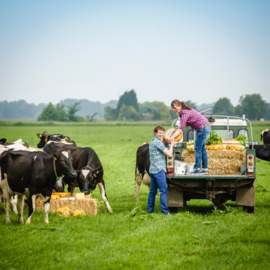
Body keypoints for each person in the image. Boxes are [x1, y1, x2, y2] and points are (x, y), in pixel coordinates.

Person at [168, 99, 211, 175]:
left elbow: (180, 130)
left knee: (197, 149)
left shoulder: (184, 113)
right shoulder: (183, 112)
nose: (174, 110)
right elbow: (187, 124)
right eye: (173, 109)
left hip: (203, 128)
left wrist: (171, 138)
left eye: (175, 108)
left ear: (180, 106)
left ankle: (196, 169)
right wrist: (179, 128)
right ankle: (204, 169)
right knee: (202, 149)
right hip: (204, 127)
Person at [148, 125, 177, 215]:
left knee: (153, 191)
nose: (161, 134)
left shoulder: (152, 141)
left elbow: (161, 144)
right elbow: (169, 155)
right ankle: (164, 212)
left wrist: (165, 140)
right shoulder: (158, 142)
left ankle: (150, 211)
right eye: (159, 133)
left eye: (162, 133)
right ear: (155, 133)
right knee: (163, 191)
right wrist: (171, 145)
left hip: (152, 170)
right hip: (159, 170)